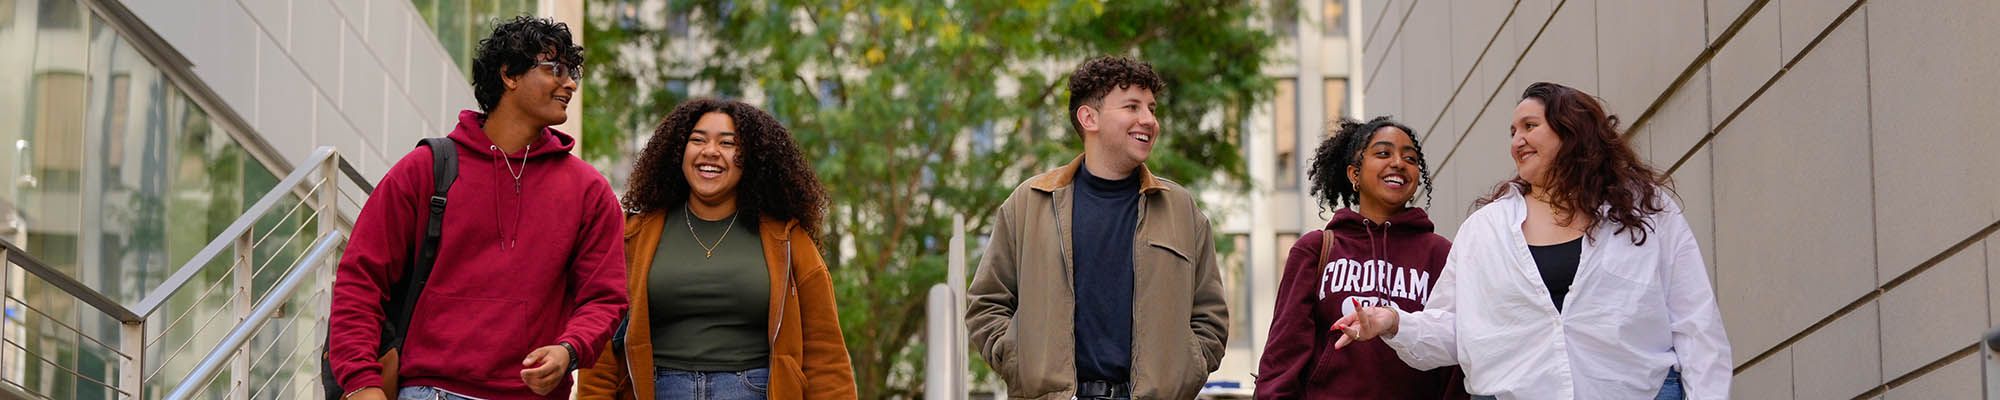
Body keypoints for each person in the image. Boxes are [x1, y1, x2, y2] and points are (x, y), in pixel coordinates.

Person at [1331, 82, 1731, 400]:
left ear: (1571, 129)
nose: (1516, 140)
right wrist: (1394, 321)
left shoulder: (1647, 212)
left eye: (1529, 126)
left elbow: (1696, 323)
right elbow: (1455, 329)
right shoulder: (1485, 230)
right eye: (1512, 131)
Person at [328, 16, 627, 400]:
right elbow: (360, 280)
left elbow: (605, 297)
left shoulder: (589, 191)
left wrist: (569, 349)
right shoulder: (425, 169)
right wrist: (361, 383)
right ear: (509, 74)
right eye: (555, 69)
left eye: (572, 74)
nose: (569, 83)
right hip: (429, 391)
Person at [965, 55, 1228, 400]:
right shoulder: (1029, 203)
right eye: (1132, 107)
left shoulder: (1182, 210)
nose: (1148, 120)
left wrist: (1184, 372)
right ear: (1089, 118)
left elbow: (1210, 316)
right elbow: (986, 303)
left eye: (1152, 108)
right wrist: (1019, 362)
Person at [576, 98, 857, 400]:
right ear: (678, 152)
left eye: (728, 143)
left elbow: (825, 354)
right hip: (657, 389)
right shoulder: (634, 235)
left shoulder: (788, 240)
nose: (710, 151)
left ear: (752, 158)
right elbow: (603, 347)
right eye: (697, 140)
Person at [1256, 116, 1466, 399]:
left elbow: (1455, 357)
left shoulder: (1441, 254)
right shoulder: (1316, 249)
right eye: (1383, 153)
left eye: (1410, 158)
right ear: (1355, 174)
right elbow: (1284, 354)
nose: (1398, 163)